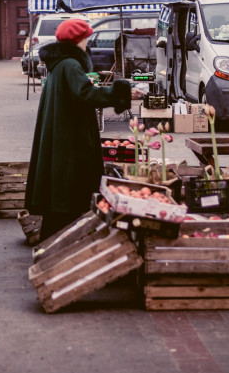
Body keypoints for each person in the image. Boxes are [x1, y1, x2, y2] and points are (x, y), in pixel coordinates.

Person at [25, 19, 143, 240]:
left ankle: (50, 243)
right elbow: (86, 94)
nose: (88, 40)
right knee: (67, 197)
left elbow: (80, 93)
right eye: (86, 36)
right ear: (79, 39)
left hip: (63, 135)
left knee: (58, 201)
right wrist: (122, 92)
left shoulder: (60, 64)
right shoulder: (70, 64)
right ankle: (58, 247)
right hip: (69, 139)